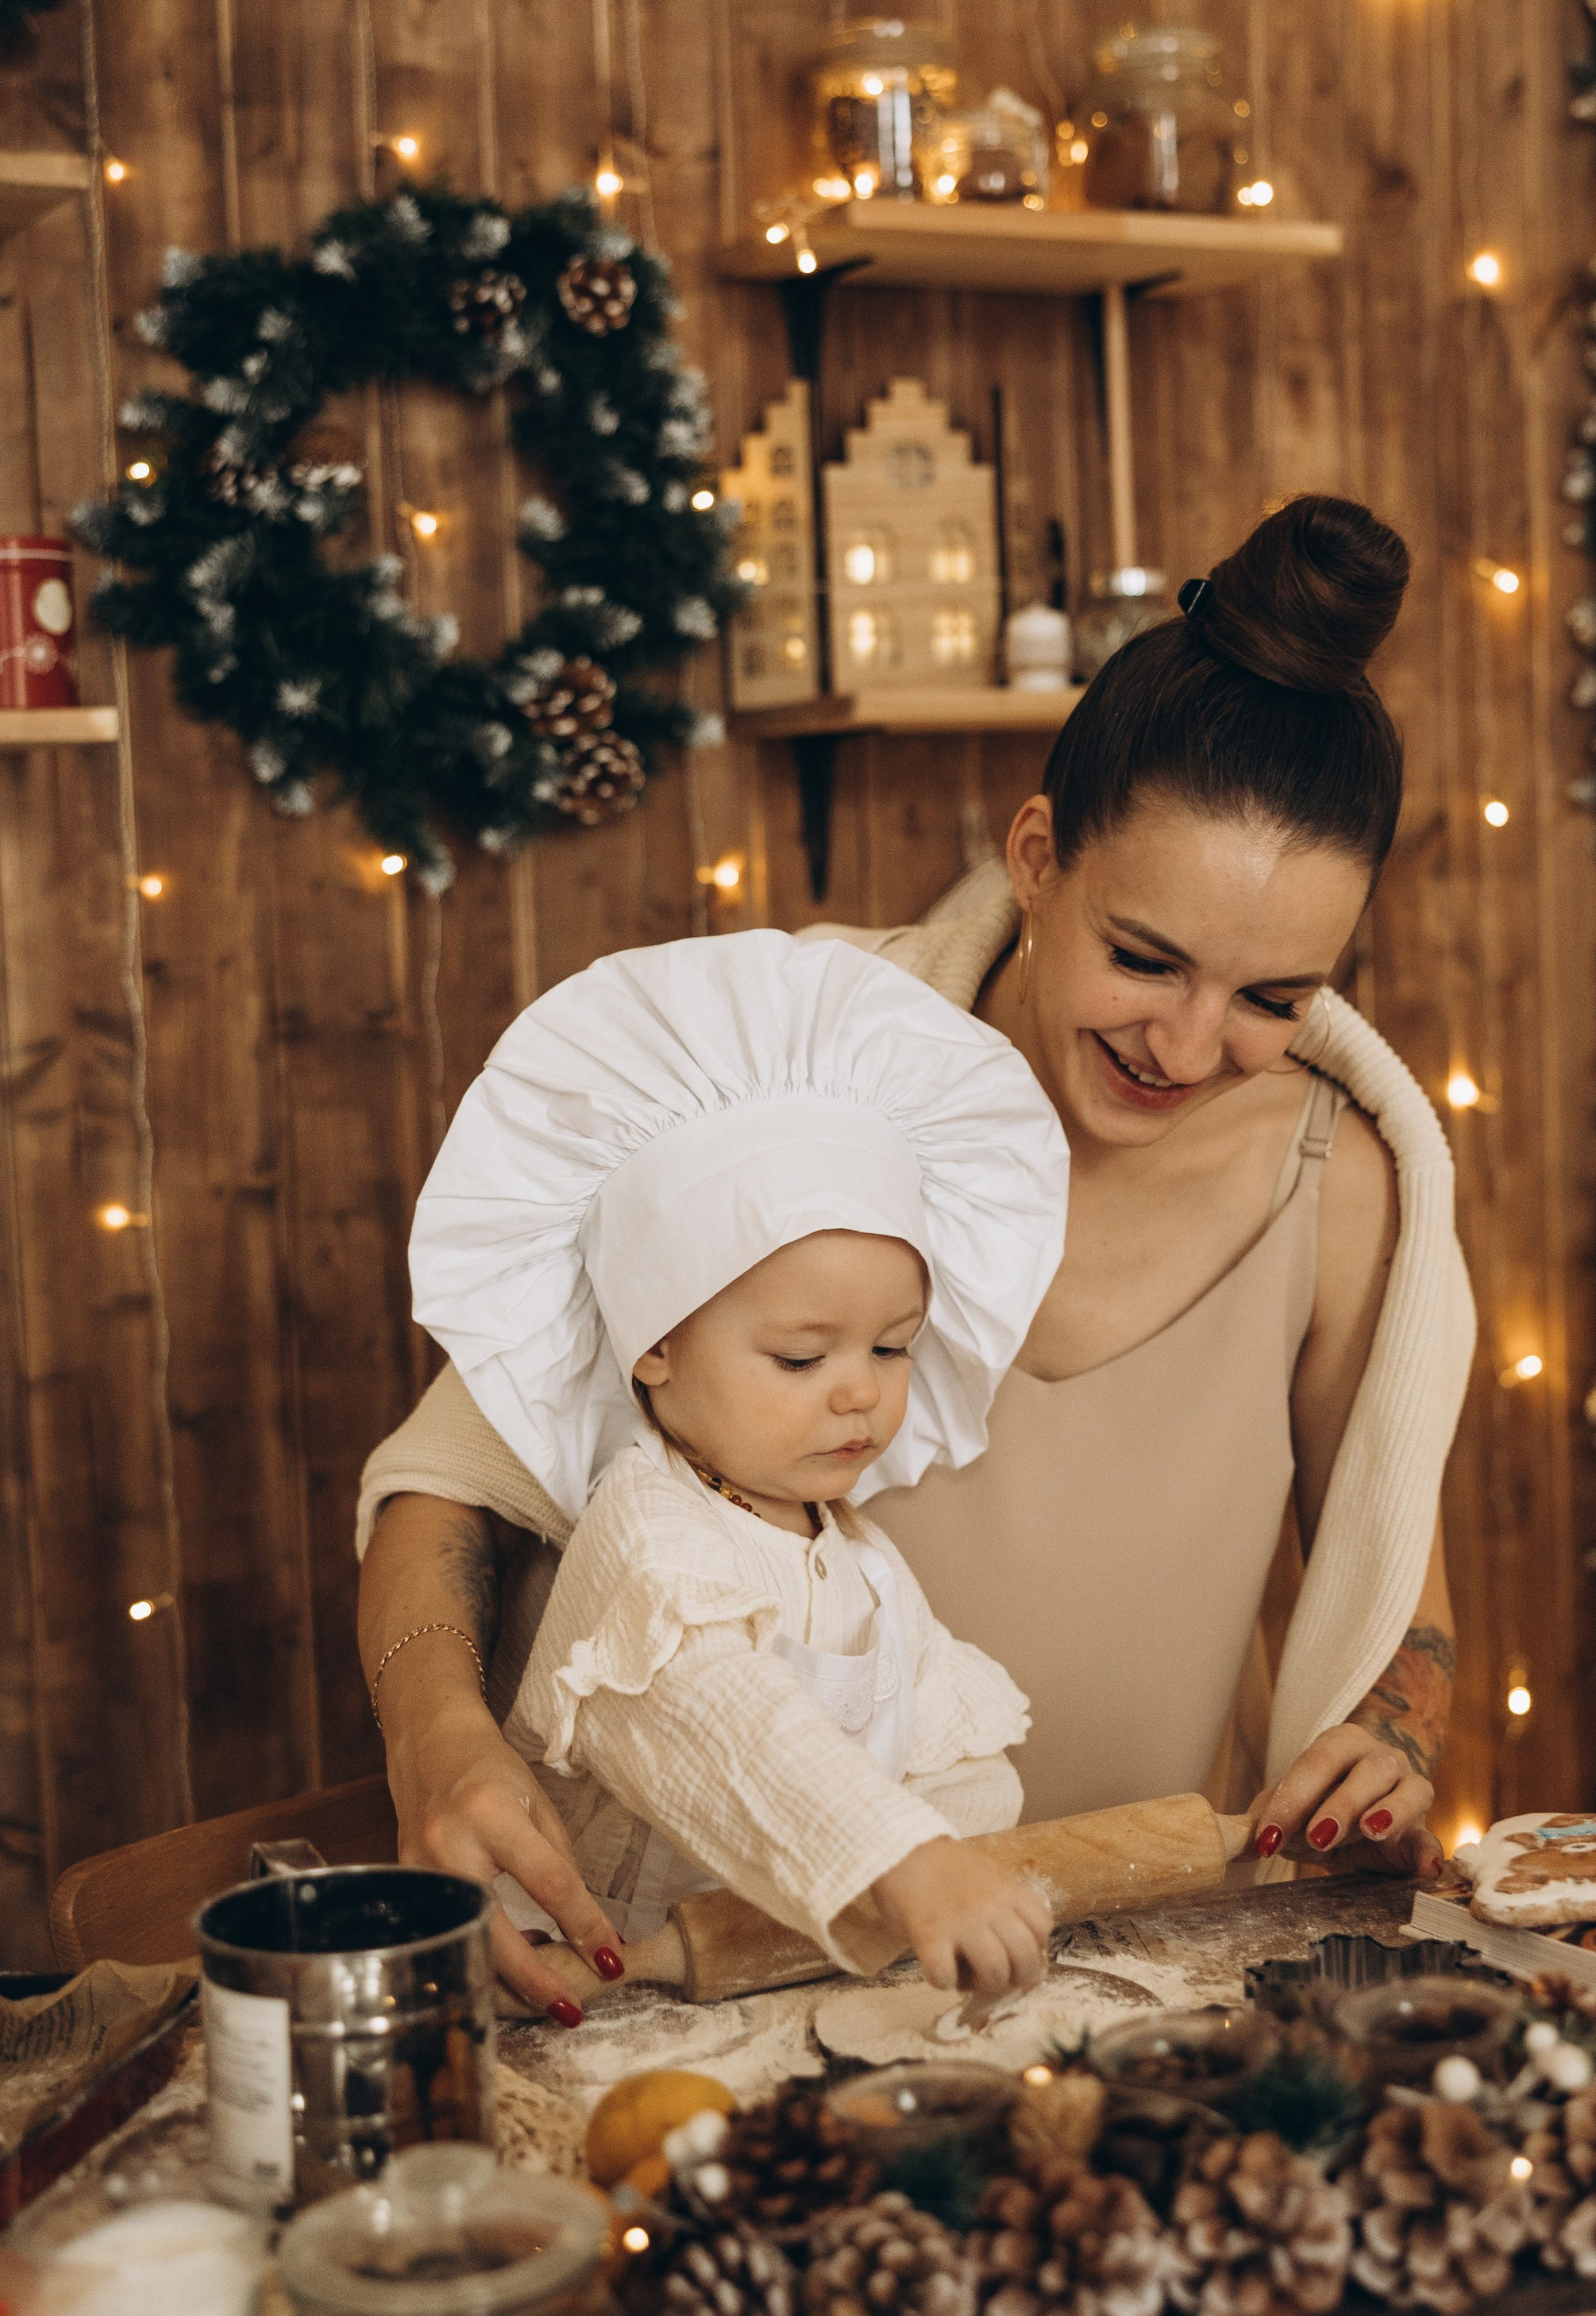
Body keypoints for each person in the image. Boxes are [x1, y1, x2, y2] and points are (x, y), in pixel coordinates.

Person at [358, 494, 1477, 2017]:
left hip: (1114, 1966)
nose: (1189, 1043)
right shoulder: (788, 1083)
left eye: (1273, 995)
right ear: (1036, 856)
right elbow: (451, 1484)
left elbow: (1394, 1568)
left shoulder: (1337, 1177)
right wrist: (442, 1745)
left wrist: (1397, 1732)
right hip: (721, 1969)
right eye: (1142, 958)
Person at [404, 931, 1070, 2007]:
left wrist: (980, 1853)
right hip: (599, 1996)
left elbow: (948, 1750)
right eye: (803, 1358)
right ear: (653, 1345)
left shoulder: (858, 1561)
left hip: (776, 1981)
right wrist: (911, 1862)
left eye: (891, 1348)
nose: (860, 1391)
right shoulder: (647, 1537)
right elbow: (732, 1729)